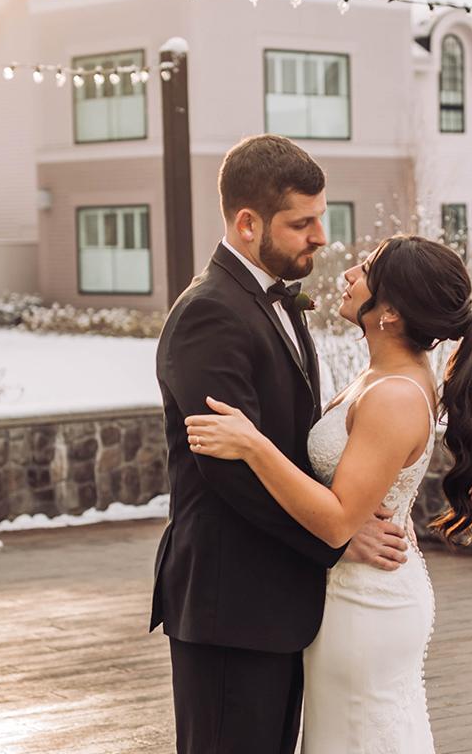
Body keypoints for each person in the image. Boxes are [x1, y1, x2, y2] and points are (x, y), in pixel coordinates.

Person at [150, 134, 412, 754]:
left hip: (278, 600)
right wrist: (336, 532)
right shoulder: (208, 313)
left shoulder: (278, 303)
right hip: (229, 602)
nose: (320, 236)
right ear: (247, 223)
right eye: (303, 223)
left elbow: (288, 445)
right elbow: (228, 471)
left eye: (319, 218)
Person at [186, 233, 472, 753]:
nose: (349, 272)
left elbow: (335, 523)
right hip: (351, 588)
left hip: (366, 603)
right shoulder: (384, 373)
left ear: (391, 312)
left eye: (366, 268)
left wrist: (252, 445)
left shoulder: (395, 394)